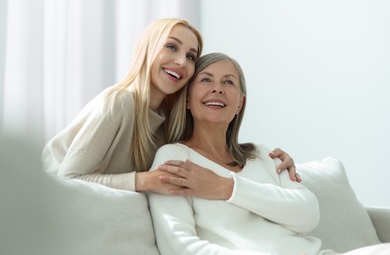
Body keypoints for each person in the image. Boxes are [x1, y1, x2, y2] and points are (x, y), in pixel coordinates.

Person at [147, 53, 390, 254]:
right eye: (206, 80)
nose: (218, 89)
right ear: (188, 99)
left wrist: (226, 187)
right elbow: (178, 247)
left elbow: (307, 215)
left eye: (228, 82)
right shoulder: (174, 158)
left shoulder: (262, 155)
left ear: (240, 103)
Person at [42, 18, 298, 198]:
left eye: (190, 56)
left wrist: (269, 161)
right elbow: (66, 182)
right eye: (171, 47)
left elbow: (212, 154)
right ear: (148, 49)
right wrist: (143, 181)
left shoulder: (171, 121)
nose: (180, 61)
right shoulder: (120, 102)